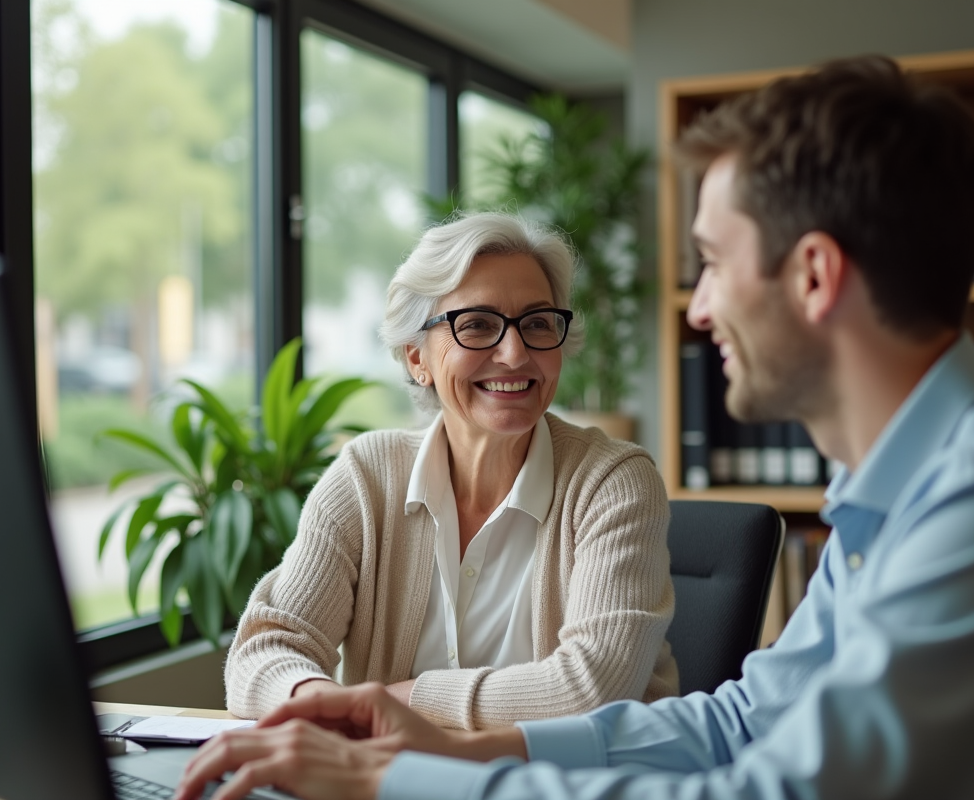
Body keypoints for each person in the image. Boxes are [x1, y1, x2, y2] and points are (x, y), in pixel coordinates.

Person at [178, 56, 974, 800]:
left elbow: (779, 790)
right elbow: (741, 723)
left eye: (711, 262)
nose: (698, 308)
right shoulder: (894, 499)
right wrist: (448, 751)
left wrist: (401, 778)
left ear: (815, 277)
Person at [223, 211, 678, 731]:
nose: (514, 354)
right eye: (478, 325)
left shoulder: (613, 482)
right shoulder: (366, 478)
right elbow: (266, 648)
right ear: (417, 357)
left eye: (536, 323)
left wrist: (397, 702)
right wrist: (316, 696)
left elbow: (593, 687)